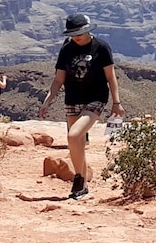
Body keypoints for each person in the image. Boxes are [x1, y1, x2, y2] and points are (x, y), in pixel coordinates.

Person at [39, 14, 125, 201]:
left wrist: (116, 103)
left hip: (95, 98)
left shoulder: (100, 48)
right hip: (72, 99)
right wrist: (48, 100)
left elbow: (111, 77)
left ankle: (78, 179)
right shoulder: (66, 49)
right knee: (77, 143)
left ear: (87, 30)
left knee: (73, 135)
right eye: (72, 33)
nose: (76, 37)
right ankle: (83, 187)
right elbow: (58, 79)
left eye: (79, 33)